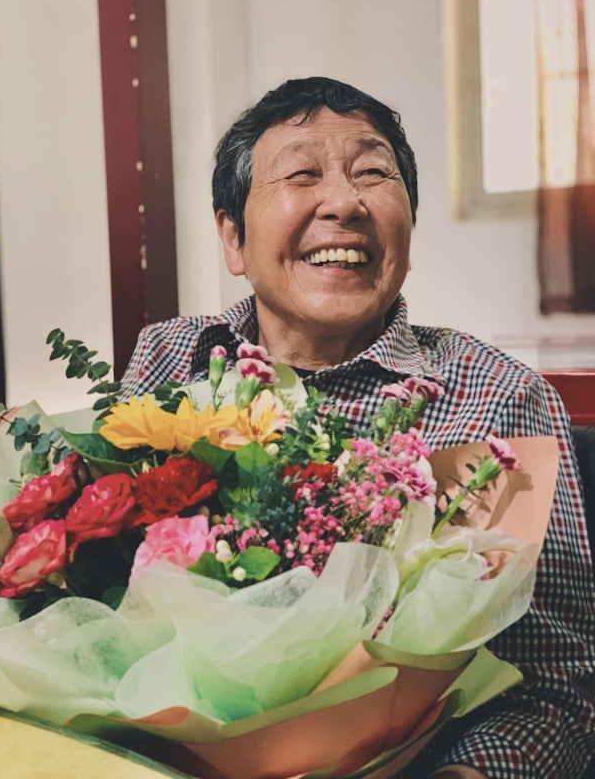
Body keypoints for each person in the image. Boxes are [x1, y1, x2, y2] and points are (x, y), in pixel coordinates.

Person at [121, 77, 595, 778]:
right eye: (302, 174)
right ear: (232, 236)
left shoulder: (499, 396)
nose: (344, 203)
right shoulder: (170, 359)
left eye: (374, 173)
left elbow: (559, 687)